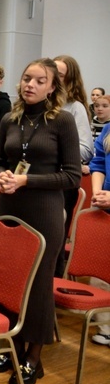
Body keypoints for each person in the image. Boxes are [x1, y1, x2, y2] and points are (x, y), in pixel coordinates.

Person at [0, 58, 81, 384]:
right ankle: (12, 348)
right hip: (8, 206)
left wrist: (27, 181)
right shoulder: (10, 118)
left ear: (52, 87)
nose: (31, 85)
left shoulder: (62, 121)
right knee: (8, 279)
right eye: (27, 78)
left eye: (40, 81)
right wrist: (3, 176)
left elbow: (71, 176)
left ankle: (33, 359)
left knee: (37, 285)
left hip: (44, 211)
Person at [53, 55, 93, 276]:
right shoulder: (40, 105)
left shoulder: (75, 107)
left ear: (69, 79)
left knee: (55, 243)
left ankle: (51, 293)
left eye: (59, 75)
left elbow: (86, 149)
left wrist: (54, 154)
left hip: (61, 182)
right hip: (36, 181)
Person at [88, 122, 110, 346]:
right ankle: (105, 327)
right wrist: (98, 193)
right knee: (101, 273)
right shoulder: (108, 129)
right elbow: (99, 163)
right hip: (106, 209)